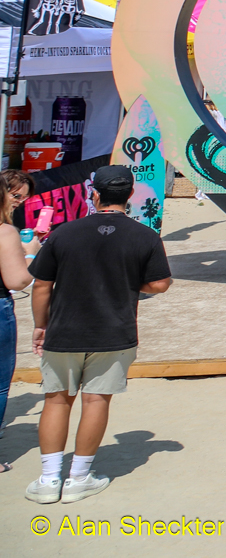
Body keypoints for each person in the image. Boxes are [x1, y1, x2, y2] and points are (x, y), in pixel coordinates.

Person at [25, 164, 173, 505]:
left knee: (56, 399)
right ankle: (79, 477)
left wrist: (40, 324)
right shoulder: (144, 236)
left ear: (94, 194)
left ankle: (49, 479)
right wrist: (125, 281)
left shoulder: (65, 232)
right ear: (130, 196)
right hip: (114, 329)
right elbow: (161, 283)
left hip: (64, 329)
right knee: (96, 400)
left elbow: (42, 285)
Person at [2, 170, 40, 474]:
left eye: (24, 197)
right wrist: (30, 255)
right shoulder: (5, 232)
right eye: (15, 195)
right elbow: (17, 280)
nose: (20, 202)